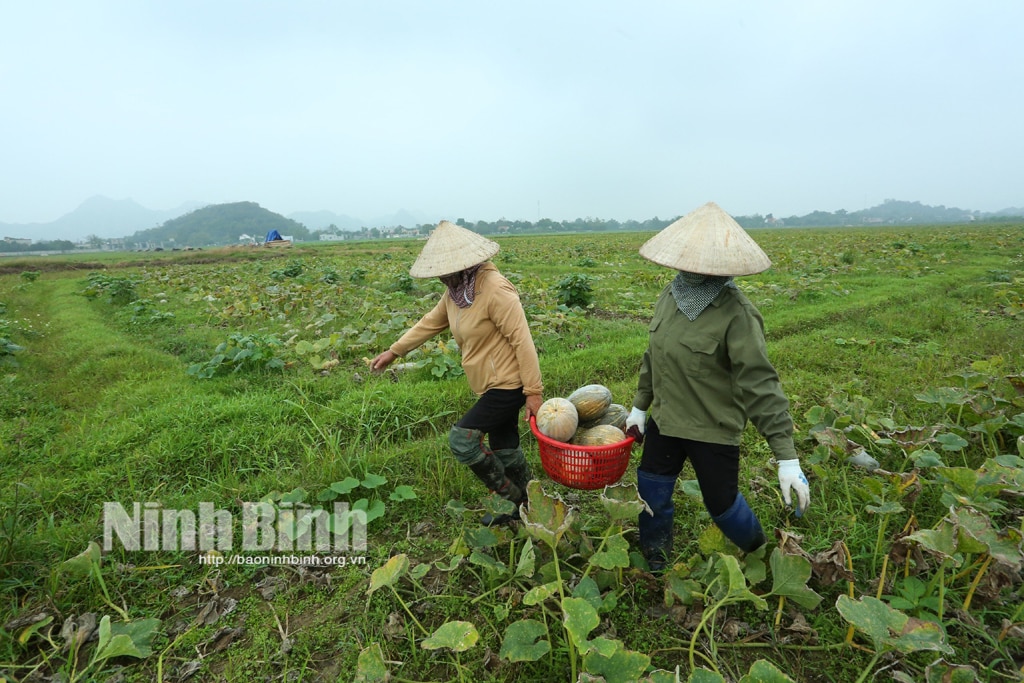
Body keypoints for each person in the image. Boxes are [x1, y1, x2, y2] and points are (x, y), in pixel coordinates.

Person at [624, 202, 810, 572]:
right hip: (666, 419)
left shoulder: (737, 314)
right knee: (651, 493)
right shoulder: (670, 296)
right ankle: (655, 559)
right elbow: (654, 356)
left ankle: (761, 554)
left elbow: (761, 385)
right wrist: (640, 407)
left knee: (721, 506)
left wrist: (786, 457)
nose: (688, 267)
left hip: (712, 428)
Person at [370, 220, 543, 525]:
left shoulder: (494, 289)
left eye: (445, 271)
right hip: (489, 384)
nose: (441, 277)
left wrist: (533, 392)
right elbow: (430, 322)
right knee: (505, 447)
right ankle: (532, 504)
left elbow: (523, 341)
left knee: (462, 440)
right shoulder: (456, 291)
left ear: (463, 264)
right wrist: (394, 351)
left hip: (508, 385)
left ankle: (512, 499)